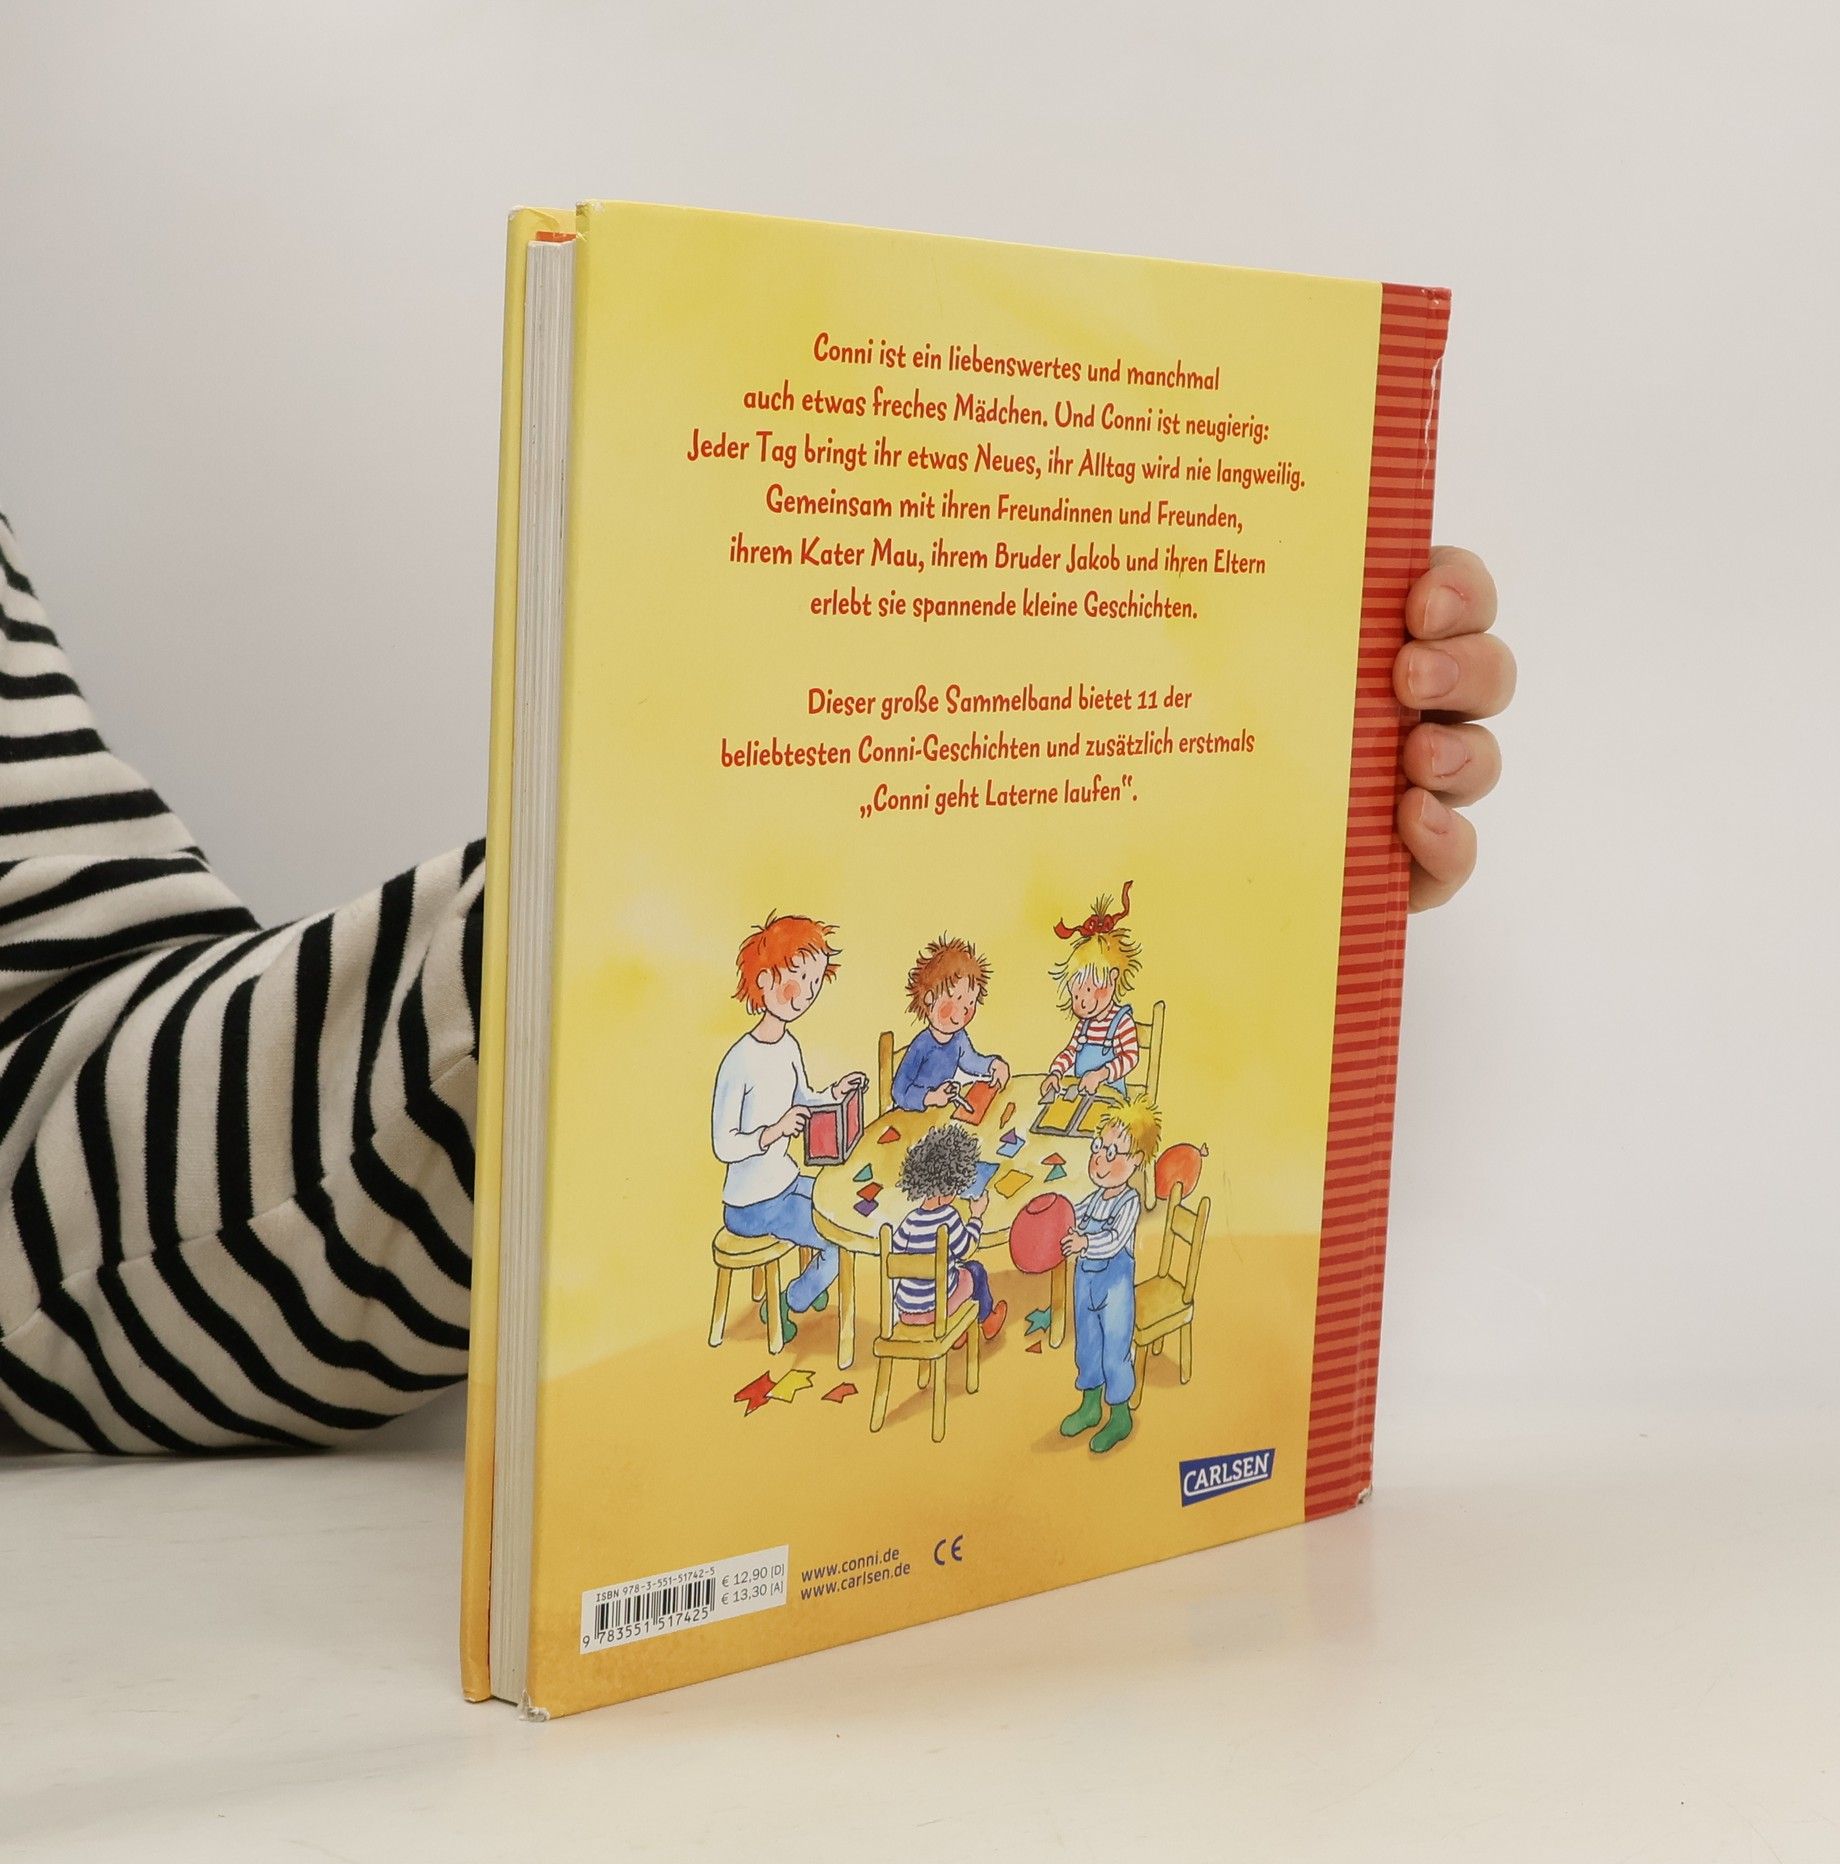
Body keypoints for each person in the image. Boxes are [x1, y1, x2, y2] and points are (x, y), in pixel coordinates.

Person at [0, 512, 1513, 1451]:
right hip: (780, 1186)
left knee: (977, 1230)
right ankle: (857, 1334)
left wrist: (1184, 821)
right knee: (854, 1237)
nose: (946, 1010)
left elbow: (67, 1082)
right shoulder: (774, 1054)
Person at [710, 913, 868, 1341]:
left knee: (841, 1202)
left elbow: (804, 1097)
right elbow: (723, 1144)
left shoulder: (788, 1046)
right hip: (752, 1204)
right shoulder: (739, 1061)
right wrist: (773, 1132)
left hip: (785, 1181)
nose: (807, 994)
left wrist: (833, 1092)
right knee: (840, 1237)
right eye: (799, 979)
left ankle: (812, 1282)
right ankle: (791, 1299)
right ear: (763, 981)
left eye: (814, 983)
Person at [1058, 1095, 1160, 1455]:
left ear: (1135, 1161)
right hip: (1085, 1285)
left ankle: (1119, 1416)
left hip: (1114, 1290)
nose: (1100, 1158)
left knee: (1114, 1352)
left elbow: (1115, 1239)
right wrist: (1058, 1216)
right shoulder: (1094, 1198)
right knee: (1088, 1346)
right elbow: (1074, 1213)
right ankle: (1090, 1406)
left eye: (1112, 1152)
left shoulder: (1129, 1202)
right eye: (1099, 1147)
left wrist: (1084, 1242)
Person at [887, 1123, 1006, 1341]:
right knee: (975, 1270)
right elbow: (966, 1249)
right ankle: (988, 1320)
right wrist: (976, 1217)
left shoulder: (910, 1221)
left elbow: (894, 1254)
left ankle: (958, 1334)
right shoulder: (948, 1217)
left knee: (953, 1273)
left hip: (906, 1313)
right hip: (938, 1310)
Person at [1039, 886, 1143, 1101]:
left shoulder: (1121, 1021)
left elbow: (1130, 1057)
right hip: (1083, 1097)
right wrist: (1056, 1072)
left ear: (1112, 978)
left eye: (1088, 990)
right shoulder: (1084, 1025)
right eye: (1076, 994)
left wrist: (1102, 1074)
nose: (1081, 1003)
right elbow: (1070, 1051)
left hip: (1111, 1099)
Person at [888, 935, 1009, 1113]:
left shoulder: (959, 1038)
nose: (962, 1013)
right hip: (911, 1115)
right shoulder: (922, 1045)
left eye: (970, 1004)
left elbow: (971, 1061)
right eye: (956, 1000)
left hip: (937, 1114)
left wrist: (994, 1065)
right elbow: (899, 1092)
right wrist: (931, 1097)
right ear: (929, 998)